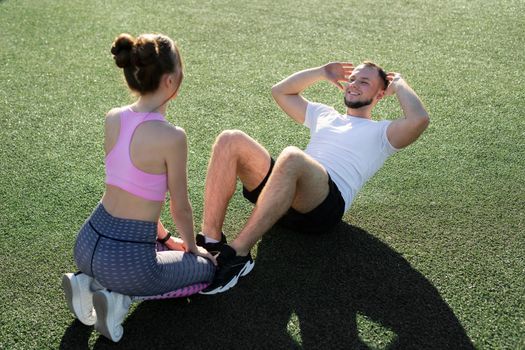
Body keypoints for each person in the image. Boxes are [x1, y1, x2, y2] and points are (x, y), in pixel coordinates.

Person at [196, 61, 429, 294]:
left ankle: (238, 255)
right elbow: (280, 91)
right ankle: (210, 241)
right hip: (282, 194)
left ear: (380, 94)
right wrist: (321, 72)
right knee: (230, 139)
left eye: (364, 82)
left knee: (292, 156)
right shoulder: (325, 114)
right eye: (353, 79)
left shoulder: (383, 133)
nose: (354, 84)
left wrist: (399, 84)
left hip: (323, 208)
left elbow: (419, 120)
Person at [61, 33, 216, 342]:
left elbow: (133, 187)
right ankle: (120, 298)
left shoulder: (113, 117)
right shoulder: (172, 137)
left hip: (88, 240)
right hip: (127, 262)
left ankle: (86, 282)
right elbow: (179, 206)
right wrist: (193, 247)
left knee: (144, 254)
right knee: (204, 270)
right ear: (170, 81)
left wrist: (165, 237)